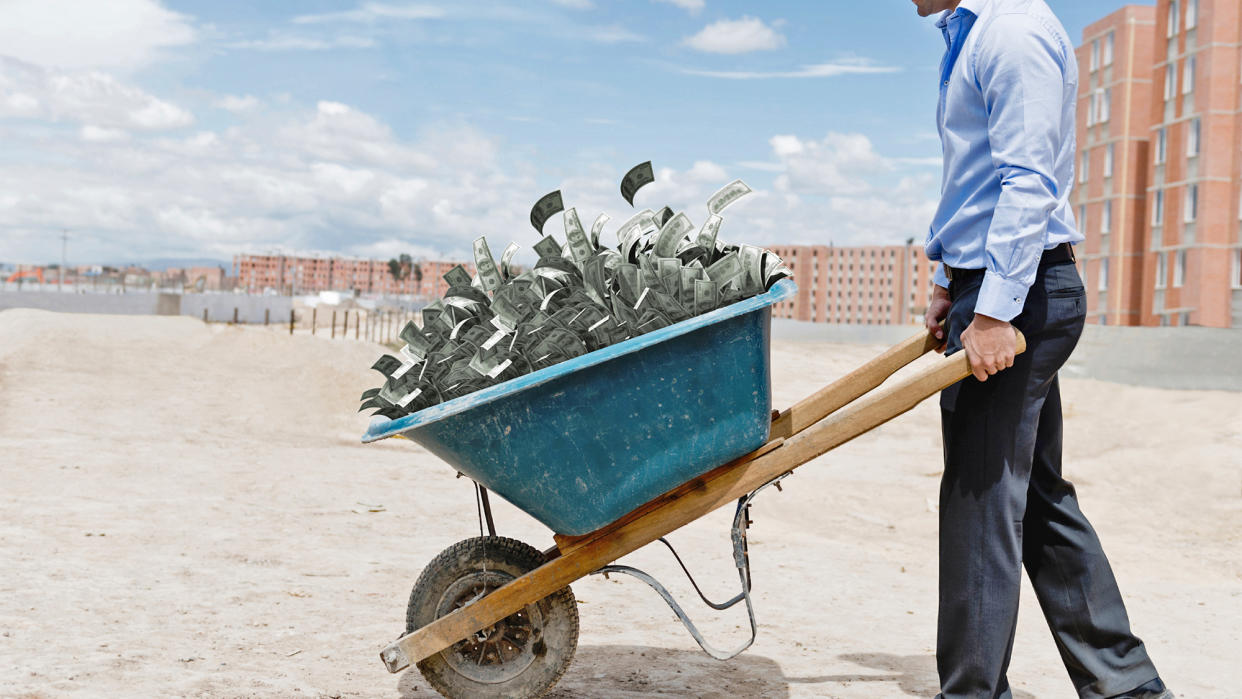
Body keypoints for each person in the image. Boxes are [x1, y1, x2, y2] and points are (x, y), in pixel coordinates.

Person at [911, 0, 1173, 697]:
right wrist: (948, 282)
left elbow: (1029, 182)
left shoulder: (1012, 31)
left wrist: (992, 309)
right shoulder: (971, 36)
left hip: (1017, 292)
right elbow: (976, 179)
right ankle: (1128, 686)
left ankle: (971, 692)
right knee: (1040, 501)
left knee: (979, 497)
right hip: (994, 284)